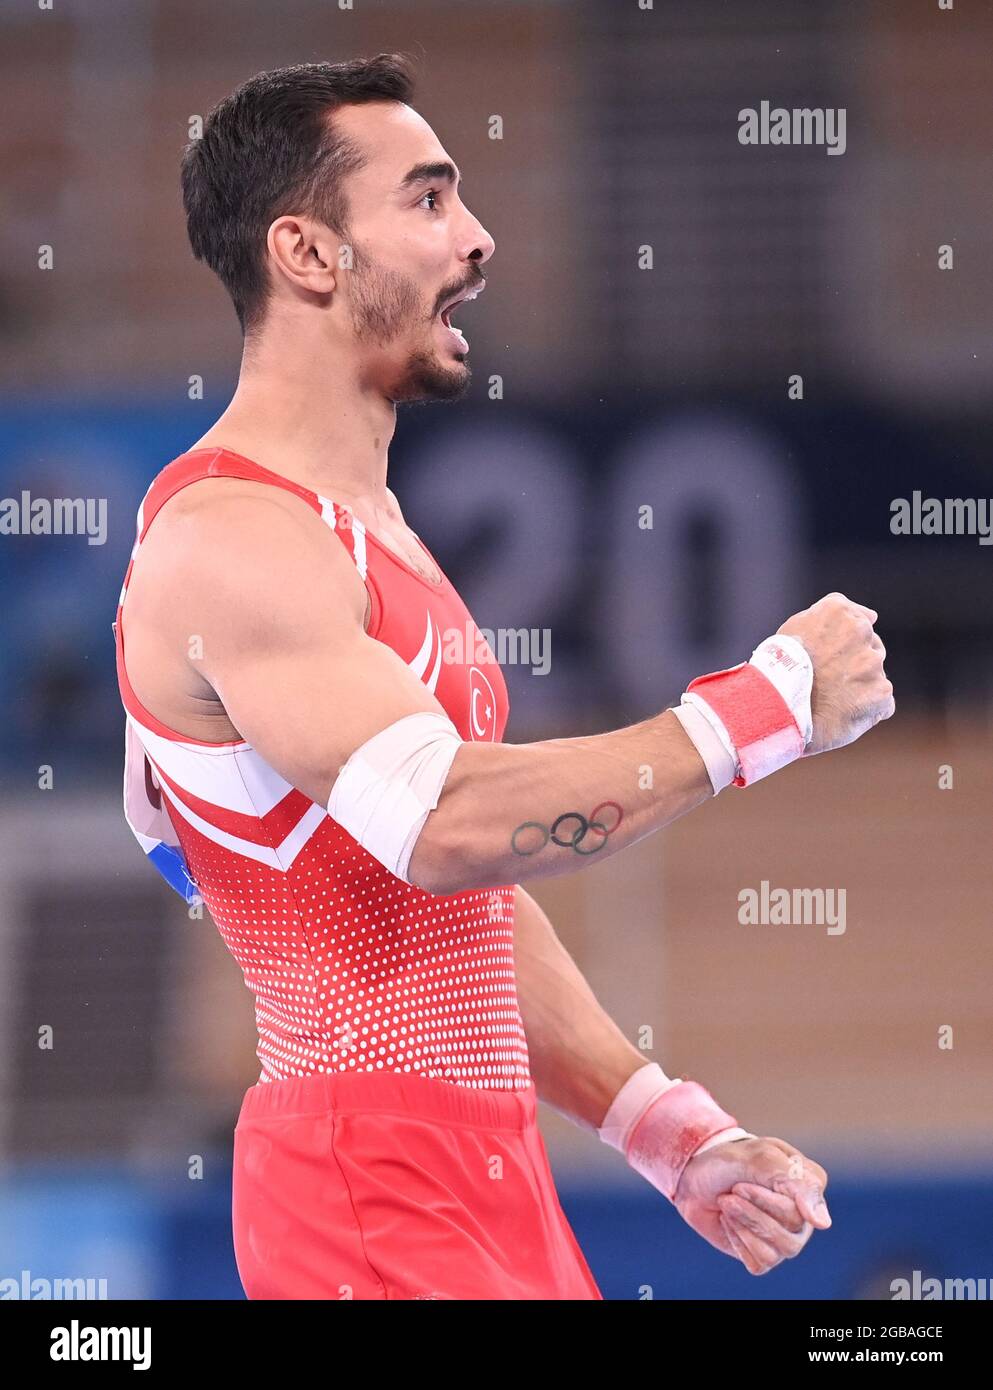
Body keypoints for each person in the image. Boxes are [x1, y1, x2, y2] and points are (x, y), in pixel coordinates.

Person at [114, 54, 894, 1299]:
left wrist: (663, 1126)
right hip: (364, 1184)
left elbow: (451, 905)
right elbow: (448, 826)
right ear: (309, 254)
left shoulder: (363, 530)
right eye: (428, 202)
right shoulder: (233, 543)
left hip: (471, 1165)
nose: (477, 240)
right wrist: (769, 708)